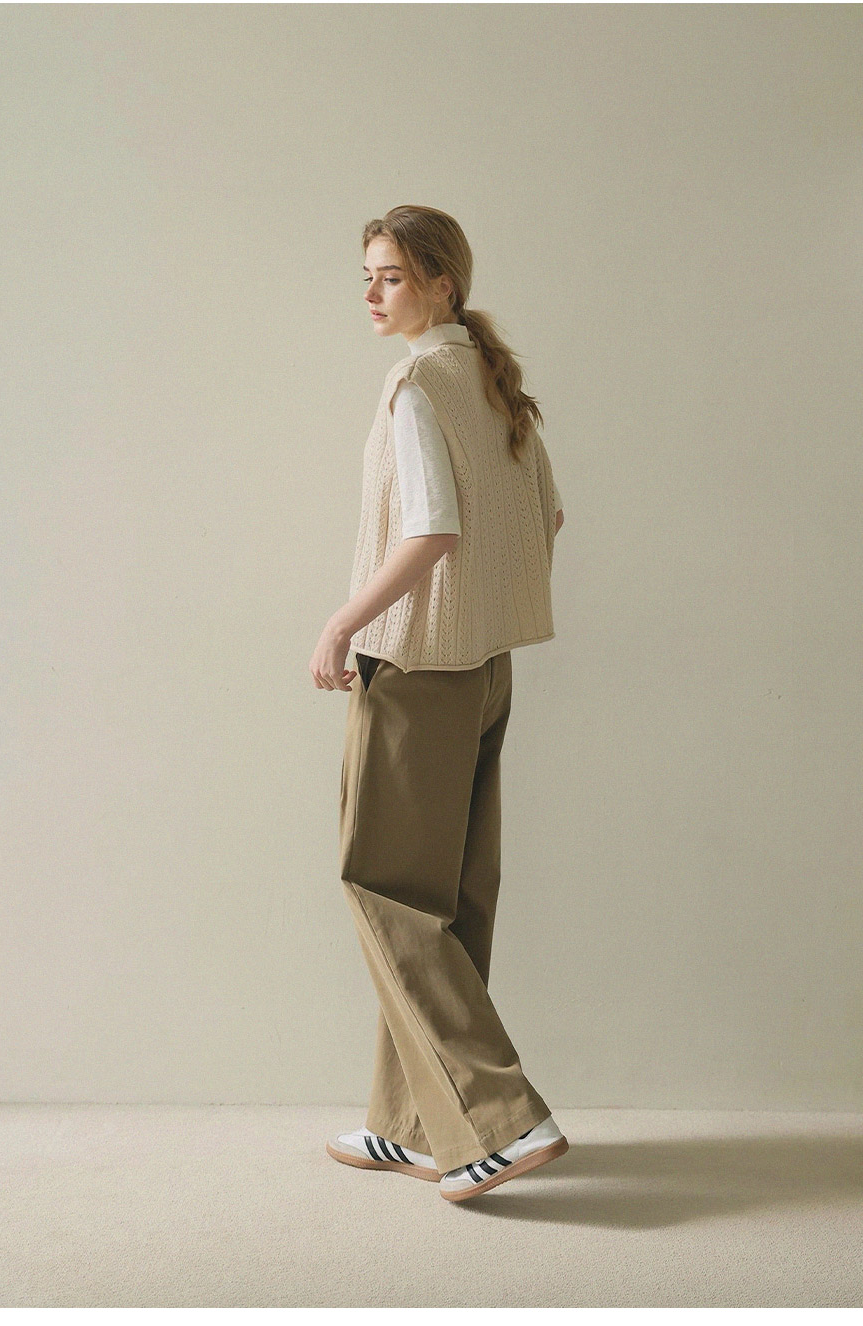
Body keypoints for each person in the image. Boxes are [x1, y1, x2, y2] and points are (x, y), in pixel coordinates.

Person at [308, 205, 568, 1203]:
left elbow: (433, 533)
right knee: (448, 901)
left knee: (386, 888)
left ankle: (503, 1118)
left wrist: (342, 623)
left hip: (417, 668)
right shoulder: (495, 384)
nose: (373, 294)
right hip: (485, 669)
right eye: (368, 277)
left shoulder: (417, 384)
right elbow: (546, 517)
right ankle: (412, 1124)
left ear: (441, 284)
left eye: (391, 276)